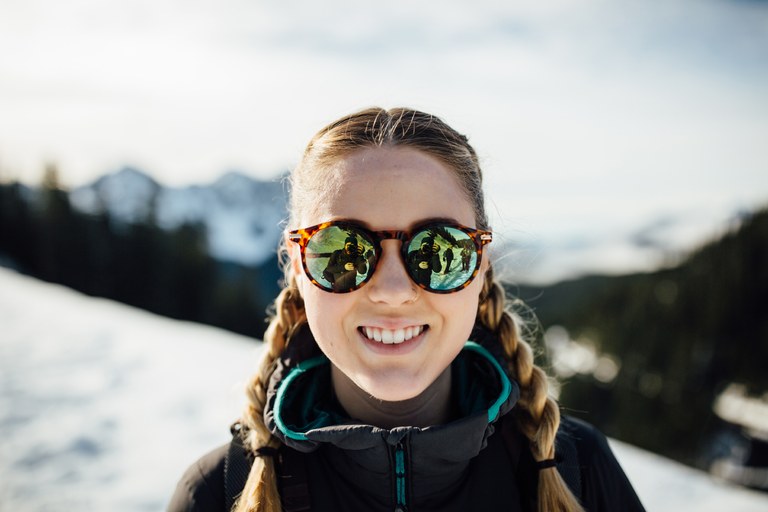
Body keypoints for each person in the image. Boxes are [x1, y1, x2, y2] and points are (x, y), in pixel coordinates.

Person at [169, 107, 645, 511]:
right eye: (342, 250)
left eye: (439, 250)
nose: (393, 291)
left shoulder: (577, 469)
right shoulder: (217, 492)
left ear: (480, 268)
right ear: (297, 267)